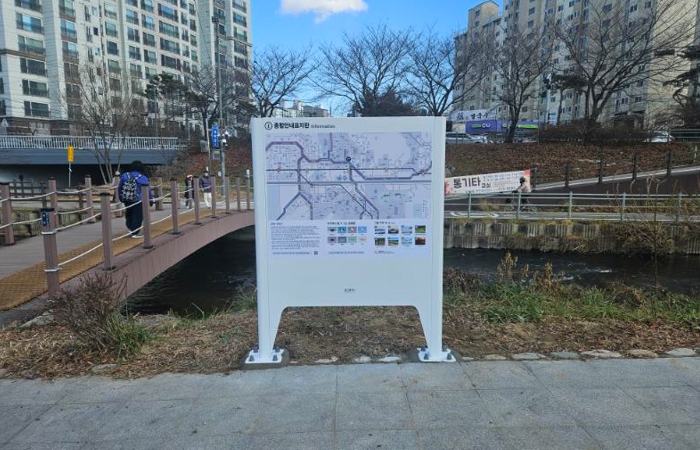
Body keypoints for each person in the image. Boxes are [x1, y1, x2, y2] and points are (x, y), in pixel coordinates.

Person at [118, 161, 153, 238]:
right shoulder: (143, 177)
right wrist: (151, 200)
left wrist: (120, 196)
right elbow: (148, 190)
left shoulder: (125, 175)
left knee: (129, 213)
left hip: (127, 198)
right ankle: (135, 232)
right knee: (138, 215)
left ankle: (130, 228)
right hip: (138, 200)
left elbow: (120, 187)